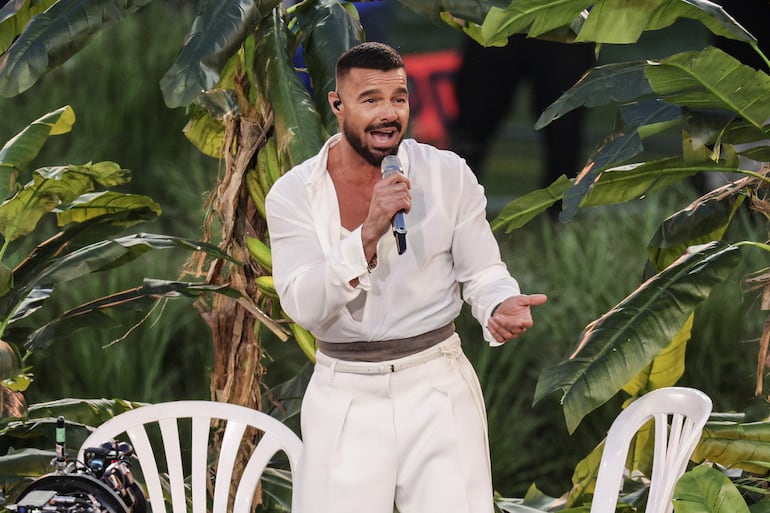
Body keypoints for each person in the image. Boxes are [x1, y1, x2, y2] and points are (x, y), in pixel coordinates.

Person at [265, 41, 547, 513]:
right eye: (371, 99)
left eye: (399, 98)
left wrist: (498, 304)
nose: (389, 113)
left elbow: (484, 272)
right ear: (337, 105)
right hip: (344, 392)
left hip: (437, 384)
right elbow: (303, 305)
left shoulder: (447, 174)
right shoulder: (293, 194)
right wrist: (368, 233)